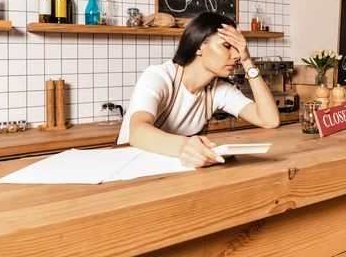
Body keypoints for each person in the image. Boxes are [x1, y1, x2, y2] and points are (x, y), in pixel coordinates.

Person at [117, 12, 280, 167]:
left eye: (237, 48)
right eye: (227, 46)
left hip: (167, 168)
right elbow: (137, 131)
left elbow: (269, 120)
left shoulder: (219, 90)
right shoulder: (158, 76)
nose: (236, 55)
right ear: (198, 46)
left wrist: (247, 61)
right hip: (126, 164)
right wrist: (185, 146)